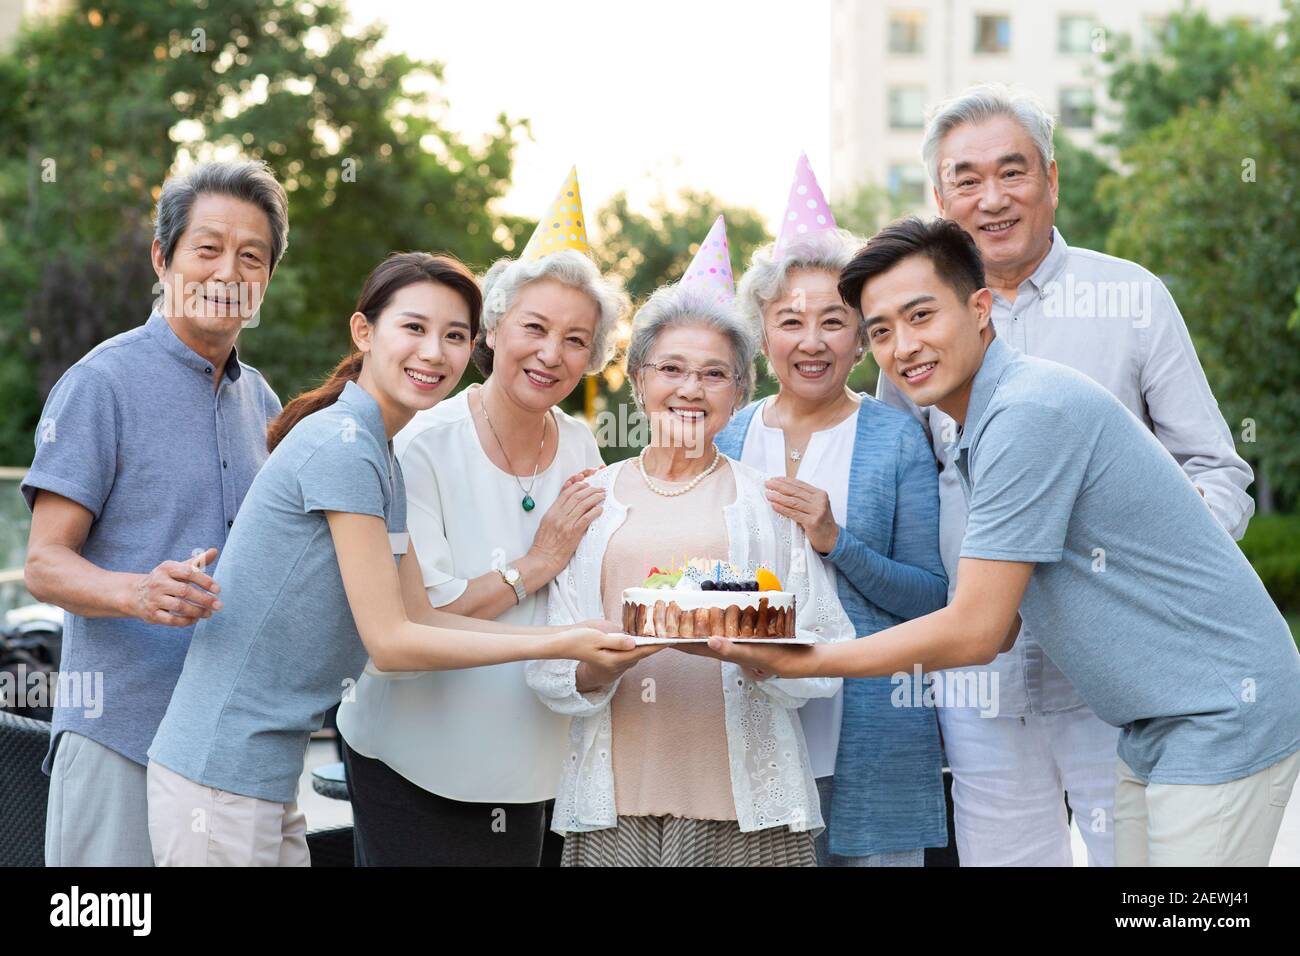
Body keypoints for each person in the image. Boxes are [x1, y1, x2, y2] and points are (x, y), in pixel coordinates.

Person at [707, 216, 1300, 867]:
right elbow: (1007, 624)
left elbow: (981, 630)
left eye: (922, 315)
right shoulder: (978, 427)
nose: (903, 347)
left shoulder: (1027, 415)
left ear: (980, 308)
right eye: (881, 331)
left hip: (1220, 710)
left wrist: (810, 659)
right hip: (1152, 723)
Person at [145, 251, 637, 866]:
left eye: (453, 335)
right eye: (414, 328)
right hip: (221, 772)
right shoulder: (348, 447)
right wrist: (559, 640)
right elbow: (394, 644)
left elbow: (420, 616)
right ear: (363, 331)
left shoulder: (379, 450)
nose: (433, 353)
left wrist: (575, 634)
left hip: (261, 774)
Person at [876, 84, 1257, 867]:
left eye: (1012, 172)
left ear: (1052, 179)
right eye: (965, 180)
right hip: (980, 674)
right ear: (939, 197)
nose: (992, 199)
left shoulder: (1132, 298)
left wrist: (1168, 571)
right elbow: (902, 487)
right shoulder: (915, 326)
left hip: (1120, 676)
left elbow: (1217, 470)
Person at [527, 217, 855, 867]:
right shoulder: (591, 501)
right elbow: (547, 661)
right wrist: (602, 663)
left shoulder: (769, 501)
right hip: (611, 810)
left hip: (751, 813)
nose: (689, 389)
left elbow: (829, 647)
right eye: (670, 368)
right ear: (638, 378)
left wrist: (763, 656)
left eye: (713, 374)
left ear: (739, 391)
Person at [336, 170, 633, 866]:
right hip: (413, 755)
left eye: (575, 340)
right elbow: (420, 620)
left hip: (530, 758)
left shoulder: (584, 443)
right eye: (534, 327)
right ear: (492, 331)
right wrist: (535, 564)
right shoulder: (421, 444)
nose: (551, 354)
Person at [22, 159, 288, 866]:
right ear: (163, 258)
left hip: (226, 753)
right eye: (207, 249)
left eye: (251, 255)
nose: (228, 271)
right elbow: (43, 564)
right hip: (120, 735)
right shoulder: (99, 385)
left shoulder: (263, 404)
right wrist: (137, 591)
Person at [716, 155, 948, 867]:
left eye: (834, 321)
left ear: (861, 336)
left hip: (872, 733)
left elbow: (934, 599)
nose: (811, 342)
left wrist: (834, 540)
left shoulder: (896, 437)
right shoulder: (730, 435)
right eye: (791, 321)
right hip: (755, 733)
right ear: (763, 332)